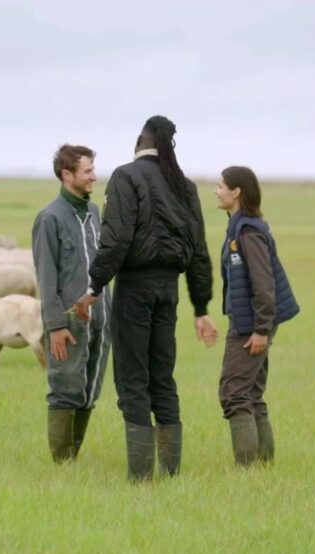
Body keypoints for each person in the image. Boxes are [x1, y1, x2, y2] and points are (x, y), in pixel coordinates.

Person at [75, 115, 218, 481]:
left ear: (139, 142)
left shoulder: (126, 177)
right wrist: (201, 307)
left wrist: (94, 287)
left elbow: (117, 239)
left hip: (135, 289)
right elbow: (199, 251)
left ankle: (141, 476)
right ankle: (171, 473)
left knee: (133, 378)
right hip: (169, 291)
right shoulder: (184, 185)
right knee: (163, 377)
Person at [213, 166, 299, 466]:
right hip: (249, 321)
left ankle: (247, 468)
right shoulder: (240, 226)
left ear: (236, 192)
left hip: (251, 326)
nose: (216, 191)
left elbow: (264, 286)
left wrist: (260, 330)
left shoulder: (248, 231)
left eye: (221, 186)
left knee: (234, 393)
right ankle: (263, 464)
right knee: (250, 392)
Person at [31, 144, 111, 463]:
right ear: (67, 175)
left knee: (90, 389)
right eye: (87, 171)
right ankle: (62, 464)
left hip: (101, 319)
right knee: (65, 387)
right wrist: (56, 326)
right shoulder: (49, 218)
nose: (94, 176)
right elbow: (46, 278)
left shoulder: (93, 214)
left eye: (93, 170)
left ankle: (73, 458)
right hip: (68, 323)